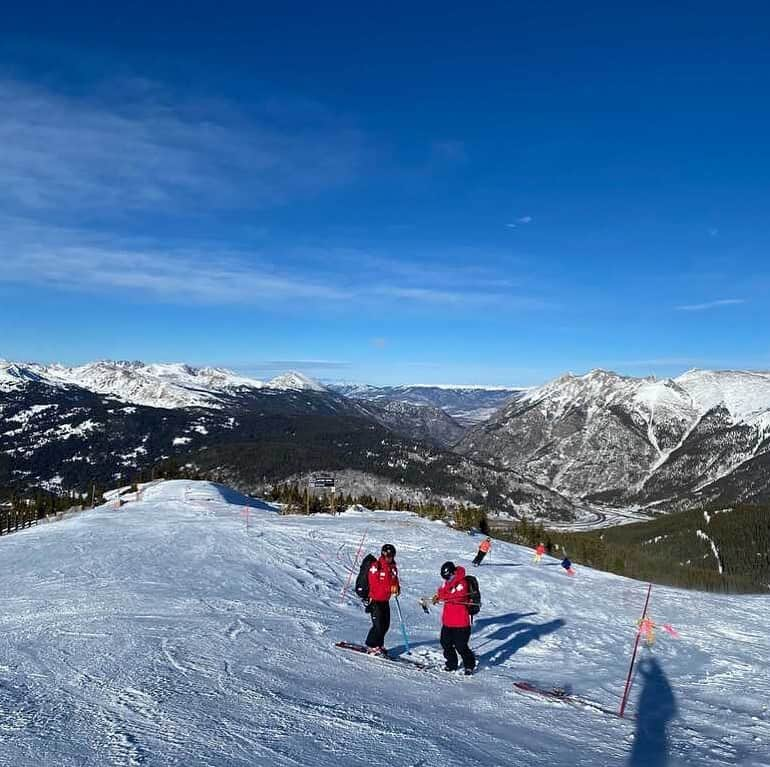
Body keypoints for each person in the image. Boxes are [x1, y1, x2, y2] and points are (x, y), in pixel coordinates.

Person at [431, 561, 477, 675]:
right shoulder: (447, 582)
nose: (448, 579)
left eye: (449, 576)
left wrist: (443, 596)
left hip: (461, 622)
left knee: (461, 646)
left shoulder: (462, 583)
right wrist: (437, 596)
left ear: (453, 573)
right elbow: (441, 591)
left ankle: (469, 665)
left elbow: (457, 598)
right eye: (446, 578)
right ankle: (451, 663)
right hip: (448, 621)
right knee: (445, 643)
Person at [364, 543, 400, 655]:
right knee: (378, 625)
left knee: (385, 624)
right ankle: (371, 645)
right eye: (388, 556)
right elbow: (375, 584)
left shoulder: (393, 567)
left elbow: (395, 581)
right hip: (375, 600)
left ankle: (379, 645)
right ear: (383, 555)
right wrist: (390, 588)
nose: (390, 558)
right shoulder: (376, 566)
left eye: (392, 556)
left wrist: (397, 588)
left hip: (385, 600)